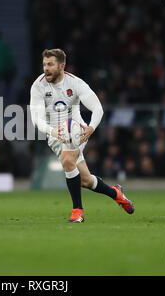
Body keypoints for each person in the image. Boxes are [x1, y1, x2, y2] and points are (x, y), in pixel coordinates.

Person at [29, 49, 134, 223]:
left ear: (62, 66)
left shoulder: (75, 83)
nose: (46, 69)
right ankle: (116, 193)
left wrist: (91, 127)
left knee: (67, 159)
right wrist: (52, 131)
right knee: (85, 180)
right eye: (44, 65)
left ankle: (77, 211)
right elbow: (36, 120)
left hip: (76, 130)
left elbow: (97, 108)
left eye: (50, 65)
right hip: (54, 135)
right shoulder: (38, 86)